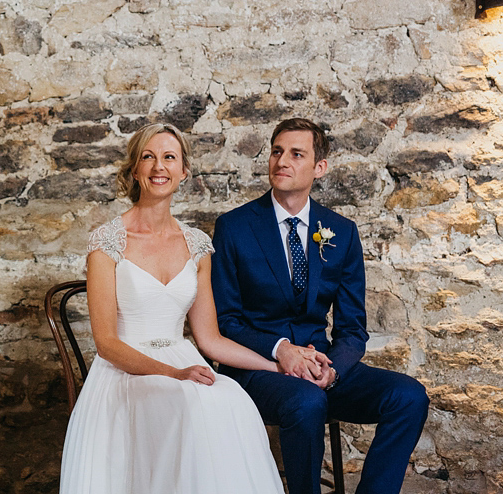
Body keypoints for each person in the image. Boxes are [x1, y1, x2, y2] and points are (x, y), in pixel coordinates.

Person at [59, 122, 293, 494]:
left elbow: (210, 339)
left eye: (169, 157)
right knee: (187, 404)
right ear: (134, 169)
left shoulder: (197, 245)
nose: (158, 167)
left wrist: (276, 366)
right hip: (126, 370)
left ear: (184, 171)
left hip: (185, 363)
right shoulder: (106, 242)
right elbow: (105, 342)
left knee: (234, 401)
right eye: (148, 157)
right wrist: (173, 374)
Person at [211, 118, 429, 494]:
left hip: (319, 366)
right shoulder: (234, 227)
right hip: (257, 369)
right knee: (307, 402)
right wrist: (282, 351)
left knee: (409, 396)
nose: (283, 161)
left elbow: (352, 329)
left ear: (319, 167)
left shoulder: (340, 231)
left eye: (297, 154)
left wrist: (332, 372)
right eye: (277, 151)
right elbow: (227, 321)